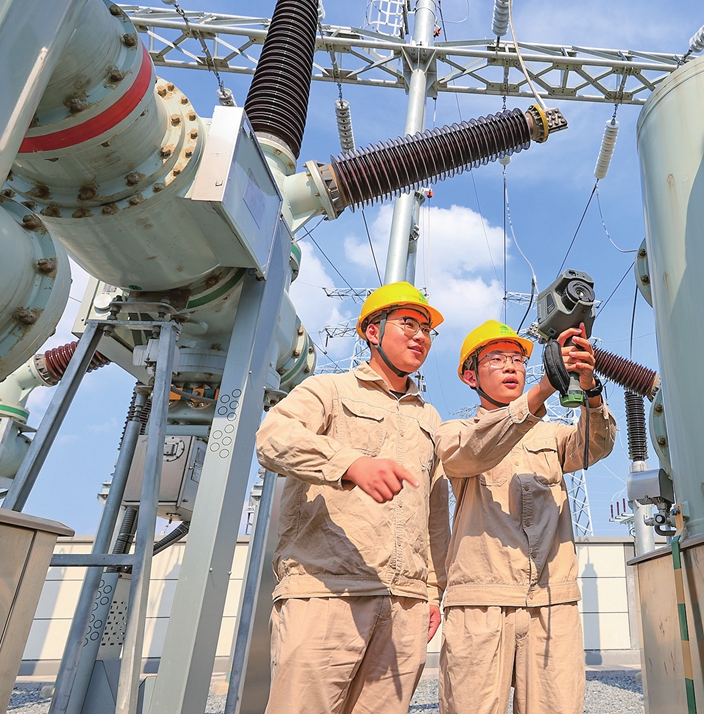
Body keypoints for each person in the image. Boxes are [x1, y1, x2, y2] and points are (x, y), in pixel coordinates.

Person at [255, 282, 450, 714]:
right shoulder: (329, 391)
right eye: (407, 324)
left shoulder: (430, 418)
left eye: (426, 329)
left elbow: (436, 514)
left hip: (405, 603)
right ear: (372, 332)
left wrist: (432, 593)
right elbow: (273, 438)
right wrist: (350, 464)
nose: (420, 336)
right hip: (327, 592)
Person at [435, 320, 617, 714]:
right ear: (471, 375)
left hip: (552, 603)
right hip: (480, 603)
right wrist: (543, 389)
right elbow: (477, 449)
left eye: (518, 359)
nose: (511, 367)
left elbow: (594, 446)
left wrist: (590, 391)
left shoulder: (551, 435)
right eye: (497, 359)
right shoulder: (455, 433)